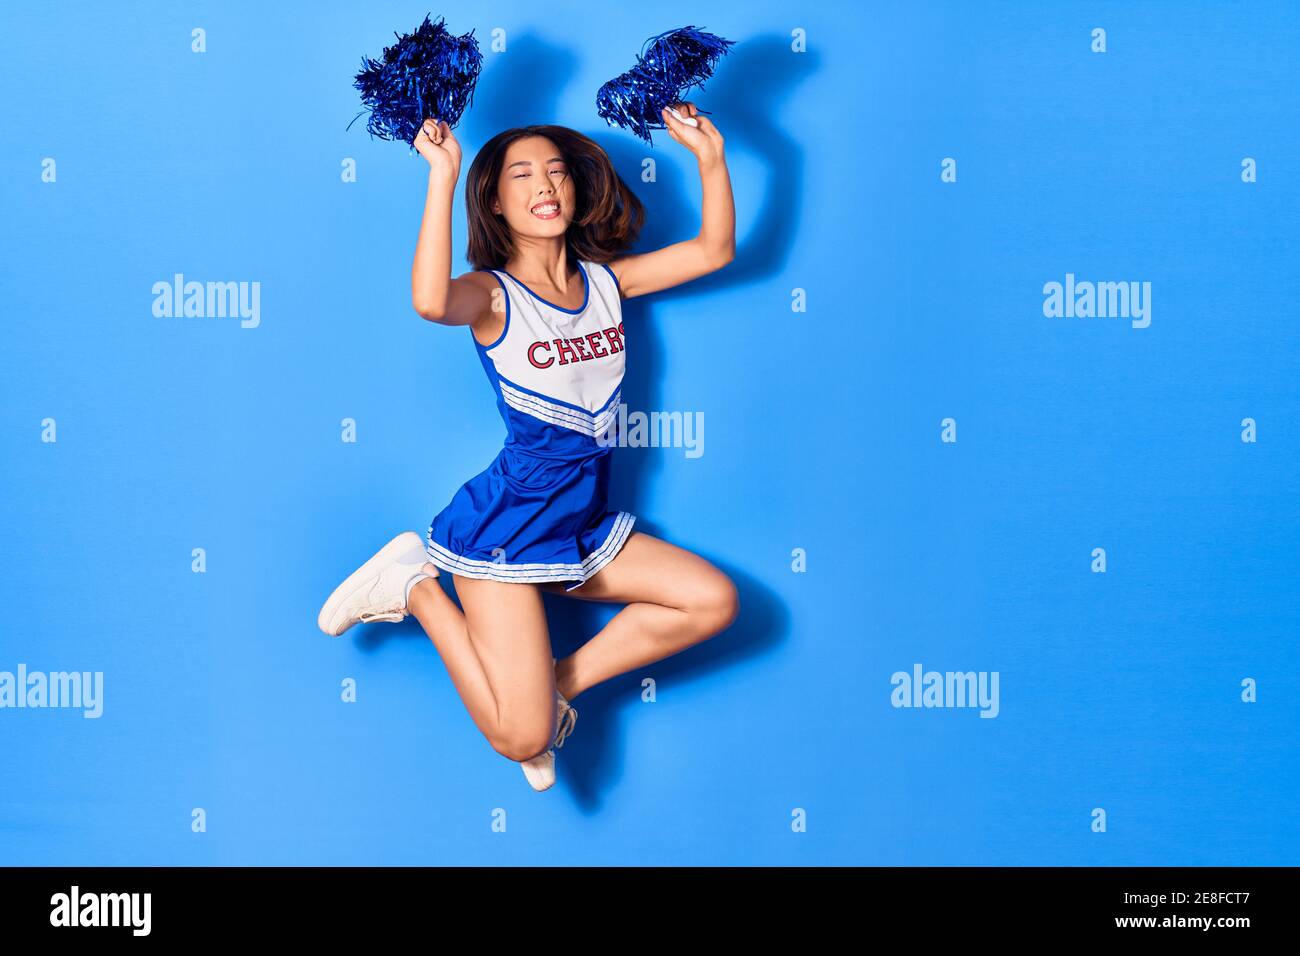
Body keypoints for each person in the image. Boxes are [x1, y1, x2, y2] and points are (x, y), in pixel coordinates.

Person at [318, 103, 739, 790]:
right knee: (522, 738)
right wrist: (443, 173)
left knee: (712, 601)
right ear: (496, 199)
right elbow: (429, 300)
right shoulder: (492, 296)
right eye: (522, 175)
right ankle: (414, 586)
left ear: (576, 189)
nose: (544, 186)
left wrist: (710, 154)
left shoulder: (607, 282)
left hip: (580, 521)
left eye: (556, 172)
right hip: (506, 529)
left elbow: (713, 251)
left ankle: (553, 686)